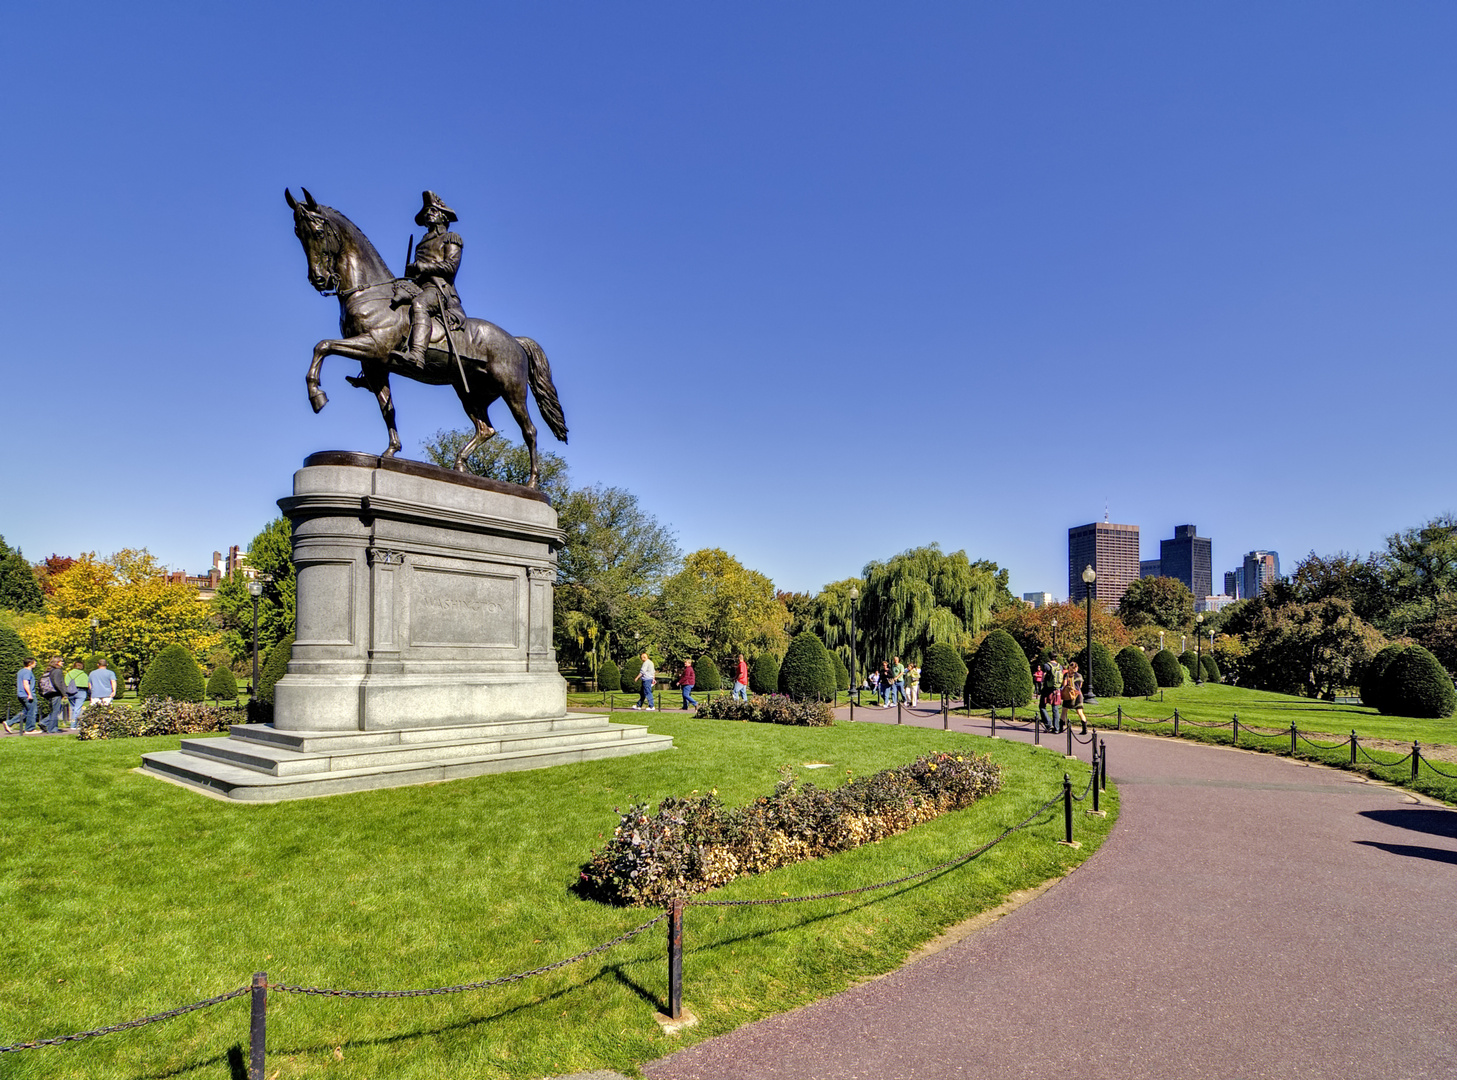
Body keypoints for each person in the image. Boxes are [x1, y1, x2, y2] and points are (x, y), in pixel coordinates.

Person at [389, 191, 466, 370]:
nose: (428, 214)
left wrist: (422, 267)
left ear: (443, 216)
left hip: (439, 290)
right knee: (390, 301)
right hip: (419, 287)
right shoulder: (421, 243)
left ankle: (417, 355)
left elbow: (450, 267)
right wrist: (410, 274)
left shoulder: (451, 238)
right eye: (426, 211)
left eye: (433, 210)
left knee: (420, 304)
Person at [10, 658, 38, 735]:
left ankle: (9, 723)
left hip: (21, 694)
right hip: (27, 694)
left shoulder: (20, 671)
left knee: (25, 711)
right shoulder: (27, 672)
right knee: (32, 711)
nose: (35, 664)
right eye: (34, 662)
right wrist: (30, 694)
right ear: (30, 663)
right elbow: (26, 683)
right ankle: (30, 729)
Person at [39, 657, 67, 733]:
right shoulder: (58, 671)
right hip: (55, 693)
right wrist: (64, 693)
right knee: (56, 711)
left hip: (49, 693)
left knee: (55, 710)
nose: (62, 663)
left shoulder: (49, 670)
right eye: (61, 661)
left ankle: (45, 723)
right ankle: (52, 728)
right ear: (57, 662)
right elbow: (58, 683)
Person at [1038, 655, 1063, 734]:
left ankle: (1048, 724)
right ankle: (1056, 728)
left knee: (1042, 706)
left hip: (1047, 688)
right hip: (1056, 689)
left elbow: (1043, 677)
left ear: (1049, 657)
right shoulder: (1060, 666)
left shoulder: (1046, 665)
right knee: (1055, 708)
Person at [1062, 660, 1088, 729]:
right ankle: (1084, 728)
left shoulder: (1067, 675)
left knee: (1064, 710)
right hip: (1078, 694)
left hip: (1069, 694)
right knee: (1080, 711)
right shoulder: (1079, 675)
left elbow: (1064, 684)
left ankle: (1061, 727)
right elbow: (1080, 685)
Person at [64, 659, 87, 729]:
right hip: (81, 691)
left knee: (74, 708)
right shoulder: (83, 674)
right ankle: (73, 725)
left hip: (70, 692)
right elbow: (87, 684)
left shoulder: (68, 674)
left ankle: (74, 723)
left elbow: (65, 683)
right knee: (77, 709)